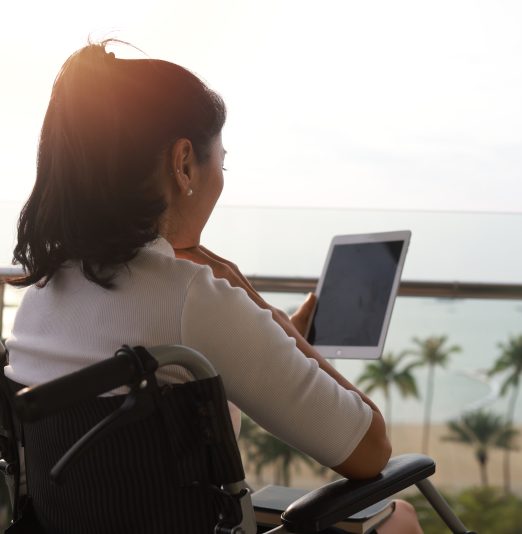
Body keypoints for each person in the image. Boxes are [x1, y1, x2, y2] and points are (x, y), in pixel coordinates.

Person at [5, 41, 422, 534]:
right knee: (401, 518)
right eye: (221, 162)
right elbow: (370, 449)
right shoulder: (193, 299)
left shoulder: (38, 300)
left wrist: (271, 330)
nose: (220, 179)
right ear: (183, 164)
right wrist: (255, 304)